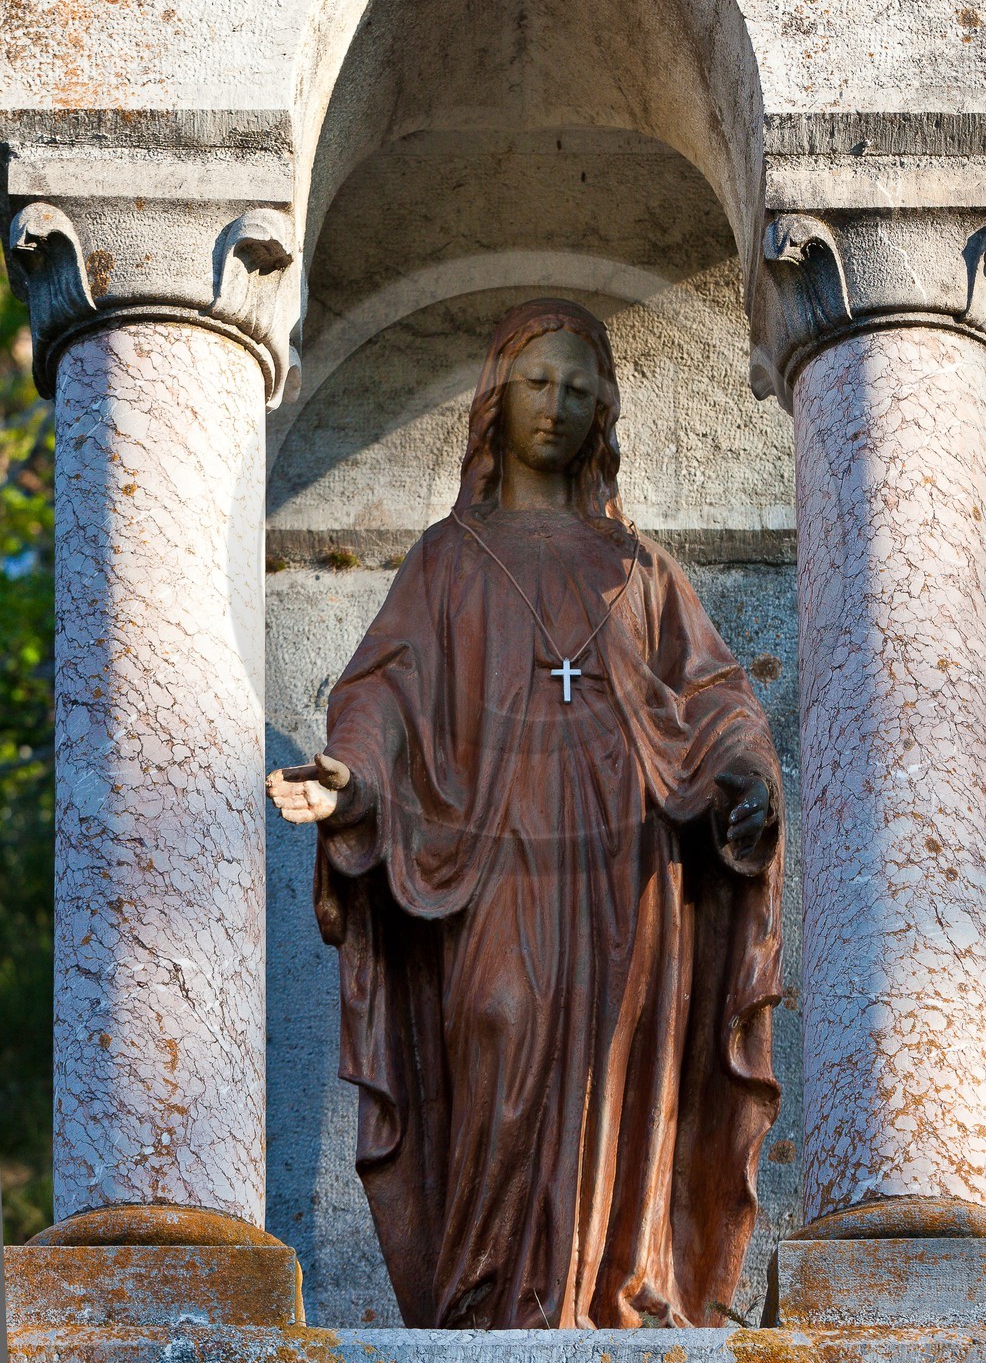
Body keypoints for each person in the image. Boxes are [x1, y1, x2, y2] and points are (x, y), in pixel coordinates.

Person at [268, 298, 783, 1330]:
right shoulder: (447, 558)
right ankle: (486, 1293)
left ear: (602, 413)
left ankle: (616, 1287)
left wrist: (741, 769)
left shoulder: (637, 567)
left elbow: (717, 695)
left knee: (616, 1067)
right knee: (499, 1026)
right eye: (539, 382)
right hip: (490, 854)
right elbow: (382, 694)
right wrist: (354, 778)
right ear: (496, 402)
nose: (557, 404)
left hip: (624, 855)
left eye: (578, 388)